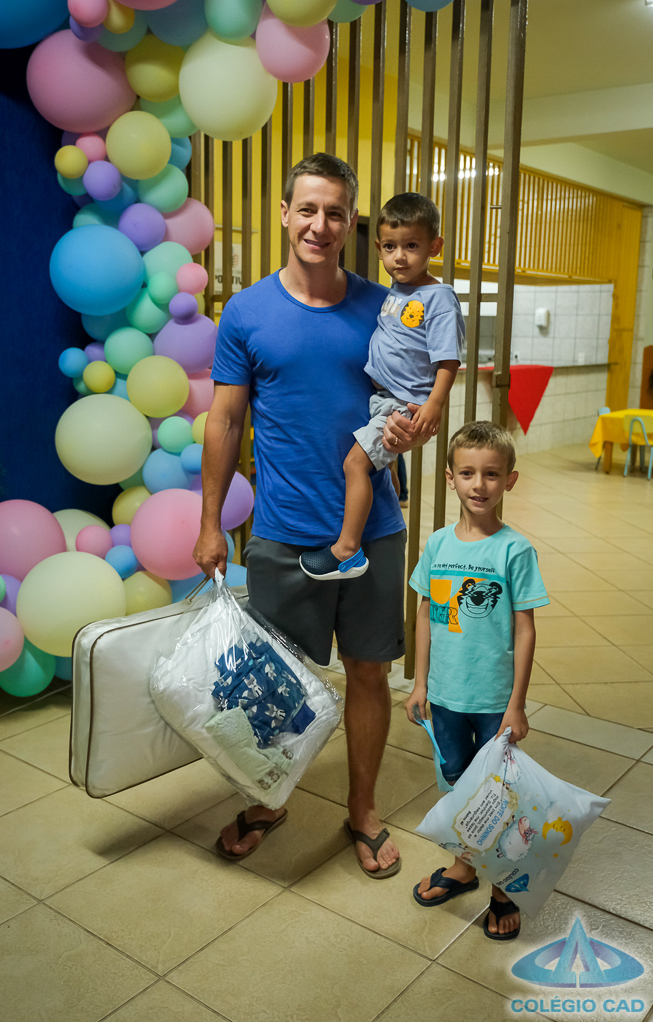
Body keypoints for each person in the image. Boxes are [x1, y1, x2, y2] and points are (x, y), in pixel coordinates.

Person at [193, 152, 411, 878]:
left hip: (373, 531)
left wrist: (416, 428)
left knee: (370, 674)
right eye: (308, 209)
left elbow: (413, 400)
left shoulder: (385, 309)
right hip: (284, 533)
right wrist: (210, 523)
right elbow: (225, 422)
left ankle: (363, 809)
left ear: (352, 223)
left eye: (335, 212)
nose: (320, 224)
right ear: (285, 213)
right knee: (272, 679)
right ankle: (268, 800)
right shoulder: (247, 312)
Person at [405, 420, 549, 940]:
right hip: (445, 697)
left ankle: (503, 887)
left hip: (493, 701)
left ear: (509, 480)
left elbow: (526, 629)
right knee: (458, 787)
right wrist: (420, 684)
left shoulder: (514, 551)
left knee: (497, 794)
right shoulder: (438, 544)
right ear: (450, 478)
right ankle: (465, 866)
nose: (479, 484)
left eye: (491, 474)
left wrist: (517, 704)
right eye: (467, 473)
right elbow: (426, 615)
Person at [299, 192, 464, 582]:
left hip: (403, 404)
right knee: (377, 469)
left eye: (412, 246)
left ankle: (347, 551)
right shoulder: (396, 292)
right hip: (382, 399)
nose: (400, 257)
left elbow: (448, 359)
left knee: (354, 464)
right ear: (378, 249)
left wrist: (434, 404)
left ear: (435, 246)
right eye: (390, 247)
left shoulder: (438, 298)